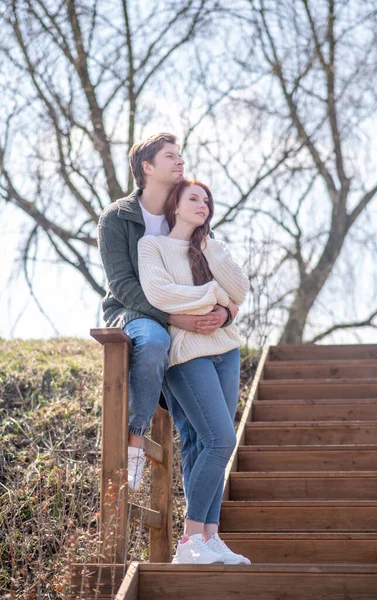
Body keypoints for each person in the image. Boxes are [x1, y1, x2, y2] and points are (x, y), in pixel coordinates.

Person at [98, 133, 232, 492]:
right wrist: (173, 318)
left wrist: (224, 314)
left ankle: (198, 536)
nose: (180, 162)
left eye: (181, 156)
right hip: (133, 313)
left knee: (195, 431)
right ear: (147, 167)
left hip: (189, 323)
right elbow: (122, 285)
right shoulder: (117, 217)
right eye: (171, 156)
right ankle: (135, 441)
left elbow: (216, 275)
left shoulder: (188, 214)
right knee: (155, 341)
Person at [138, 179, 251, 565]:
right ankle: (189, 543)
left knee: (207, 446)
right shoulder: (152, 246)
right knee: (221, 440)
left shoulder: (212, 247)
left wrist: (208, 250)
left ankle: (210, 537)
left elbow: (240, 289)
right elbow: (160, 293)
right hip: (187, 354)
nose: (203, 204)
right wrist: (213, 297)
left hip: (226, 349)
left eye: (207, 200)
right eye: (194, 198)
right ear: (175, 205)